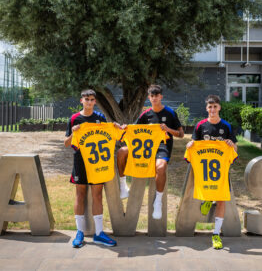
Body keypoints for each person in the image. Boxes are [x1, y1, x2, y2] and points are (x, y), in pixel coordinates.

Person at [117, 84, 184, 219]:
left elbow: (181, 134)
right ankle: (123, 186)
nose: (154, 98)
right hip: (144, 147)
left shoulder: (170, 112)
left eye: (157, 96)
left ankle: (158, 200)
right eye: (152, 96)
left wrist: (168, 130)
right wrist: (125, 128)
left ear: (161, 97)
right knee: (121, 152)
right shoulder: (145, 114)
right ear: (149, 98)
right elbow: (134, 130)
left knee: (161, 167)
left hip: (162, 147)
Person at [64, 89, 119, 248]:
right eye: (86, 99)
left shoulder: (100, 117)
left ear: (95, 102)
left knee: (97, 195)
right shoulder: (74, 118)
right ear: (81, 100)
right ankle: (80, 232)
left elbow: (111, 131)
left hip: (97, 164)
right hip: (80, 161)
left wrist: (115, 126)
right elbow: (66, 143)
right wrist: (74, 133)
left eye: (92, 100)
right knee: (80, 195)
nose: (89, 102)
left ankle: (99, 233)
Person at [186, 94, 238, 250]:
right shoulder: (200, 126)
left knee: (221, 199)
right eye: (210, 107)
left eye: (215, 106)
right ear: (206, 108)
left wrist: (231, 145)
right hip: (204, 169)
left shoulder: (227, 126)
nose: (213, 109)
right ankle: (208, 199)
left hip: (221, 169)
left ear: (219, 107)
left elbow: (236, 150)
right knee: (210, 191)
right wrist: (190, 144)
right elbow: (194, 143)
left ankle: (216, 234)